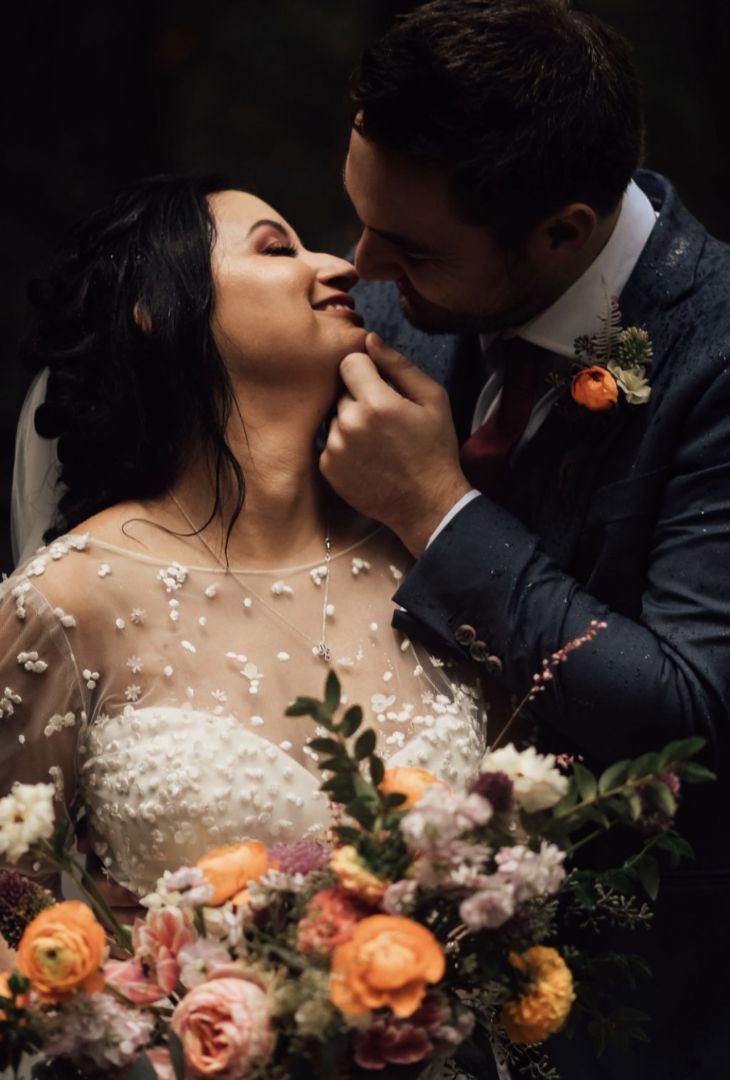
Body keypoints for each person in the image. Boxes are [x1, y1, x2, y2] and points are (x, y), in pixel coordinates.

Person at [317, 1, 730, 1078]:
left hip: (650, 1002)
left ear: (562, 231)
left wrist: (435, 510)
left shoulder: (715, 352)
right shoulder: (402, 300)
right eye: (361, 218)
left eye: (408, 246)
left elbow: (690, 710)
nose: (363, 267)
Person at [0, 175, 486, 917]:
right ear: (153, 306)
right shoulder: (66, 602)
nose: (340, 266)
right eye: (277, 249)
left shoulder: (423, 554)